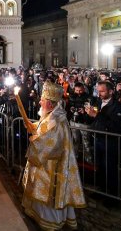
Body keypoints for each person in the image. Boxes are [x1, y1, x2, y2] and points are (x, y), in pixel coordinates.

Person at [21, 81, 86, 230]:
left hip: (51, 167)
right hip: (44, 166)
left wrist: (34, 140)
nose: (40, 103)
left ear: (50, 105)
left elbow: (51, 144)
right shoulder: (52, 115)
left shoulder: (57, 120)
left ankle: (50, 221)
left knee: (49, 197)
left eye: (42, 101)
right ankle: (35, 213)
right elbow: (43, 126)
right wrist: (34, 126)